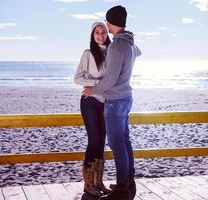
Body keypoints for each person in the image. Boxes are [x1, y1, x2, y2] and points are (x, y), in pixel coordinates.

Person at [82, 5, 141, 200]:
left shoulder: (116, 45)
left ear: (111, 22)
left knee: (117, 145)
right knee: (125, 141)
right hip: (126, 98)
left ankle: (122, 189)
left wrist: (93, 89)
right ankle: (128, 183)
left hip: (115, 101)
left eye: (107, 22)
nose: (105, 27)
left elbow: (110, 79)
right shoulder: (129, 42)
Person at [74, 21, 111, 199]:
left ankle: (98, 182)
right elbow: (77, 78)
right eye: (97, 32)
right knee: (94, 140)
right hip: (89, 101)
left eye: (103, 32)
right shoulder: (88, 54)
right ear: (92, 34)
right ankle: (89, 185)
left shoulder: (112, 52)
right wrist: (97, 84)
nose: (100, 35)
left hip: (106, 102)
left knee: (102, 140)